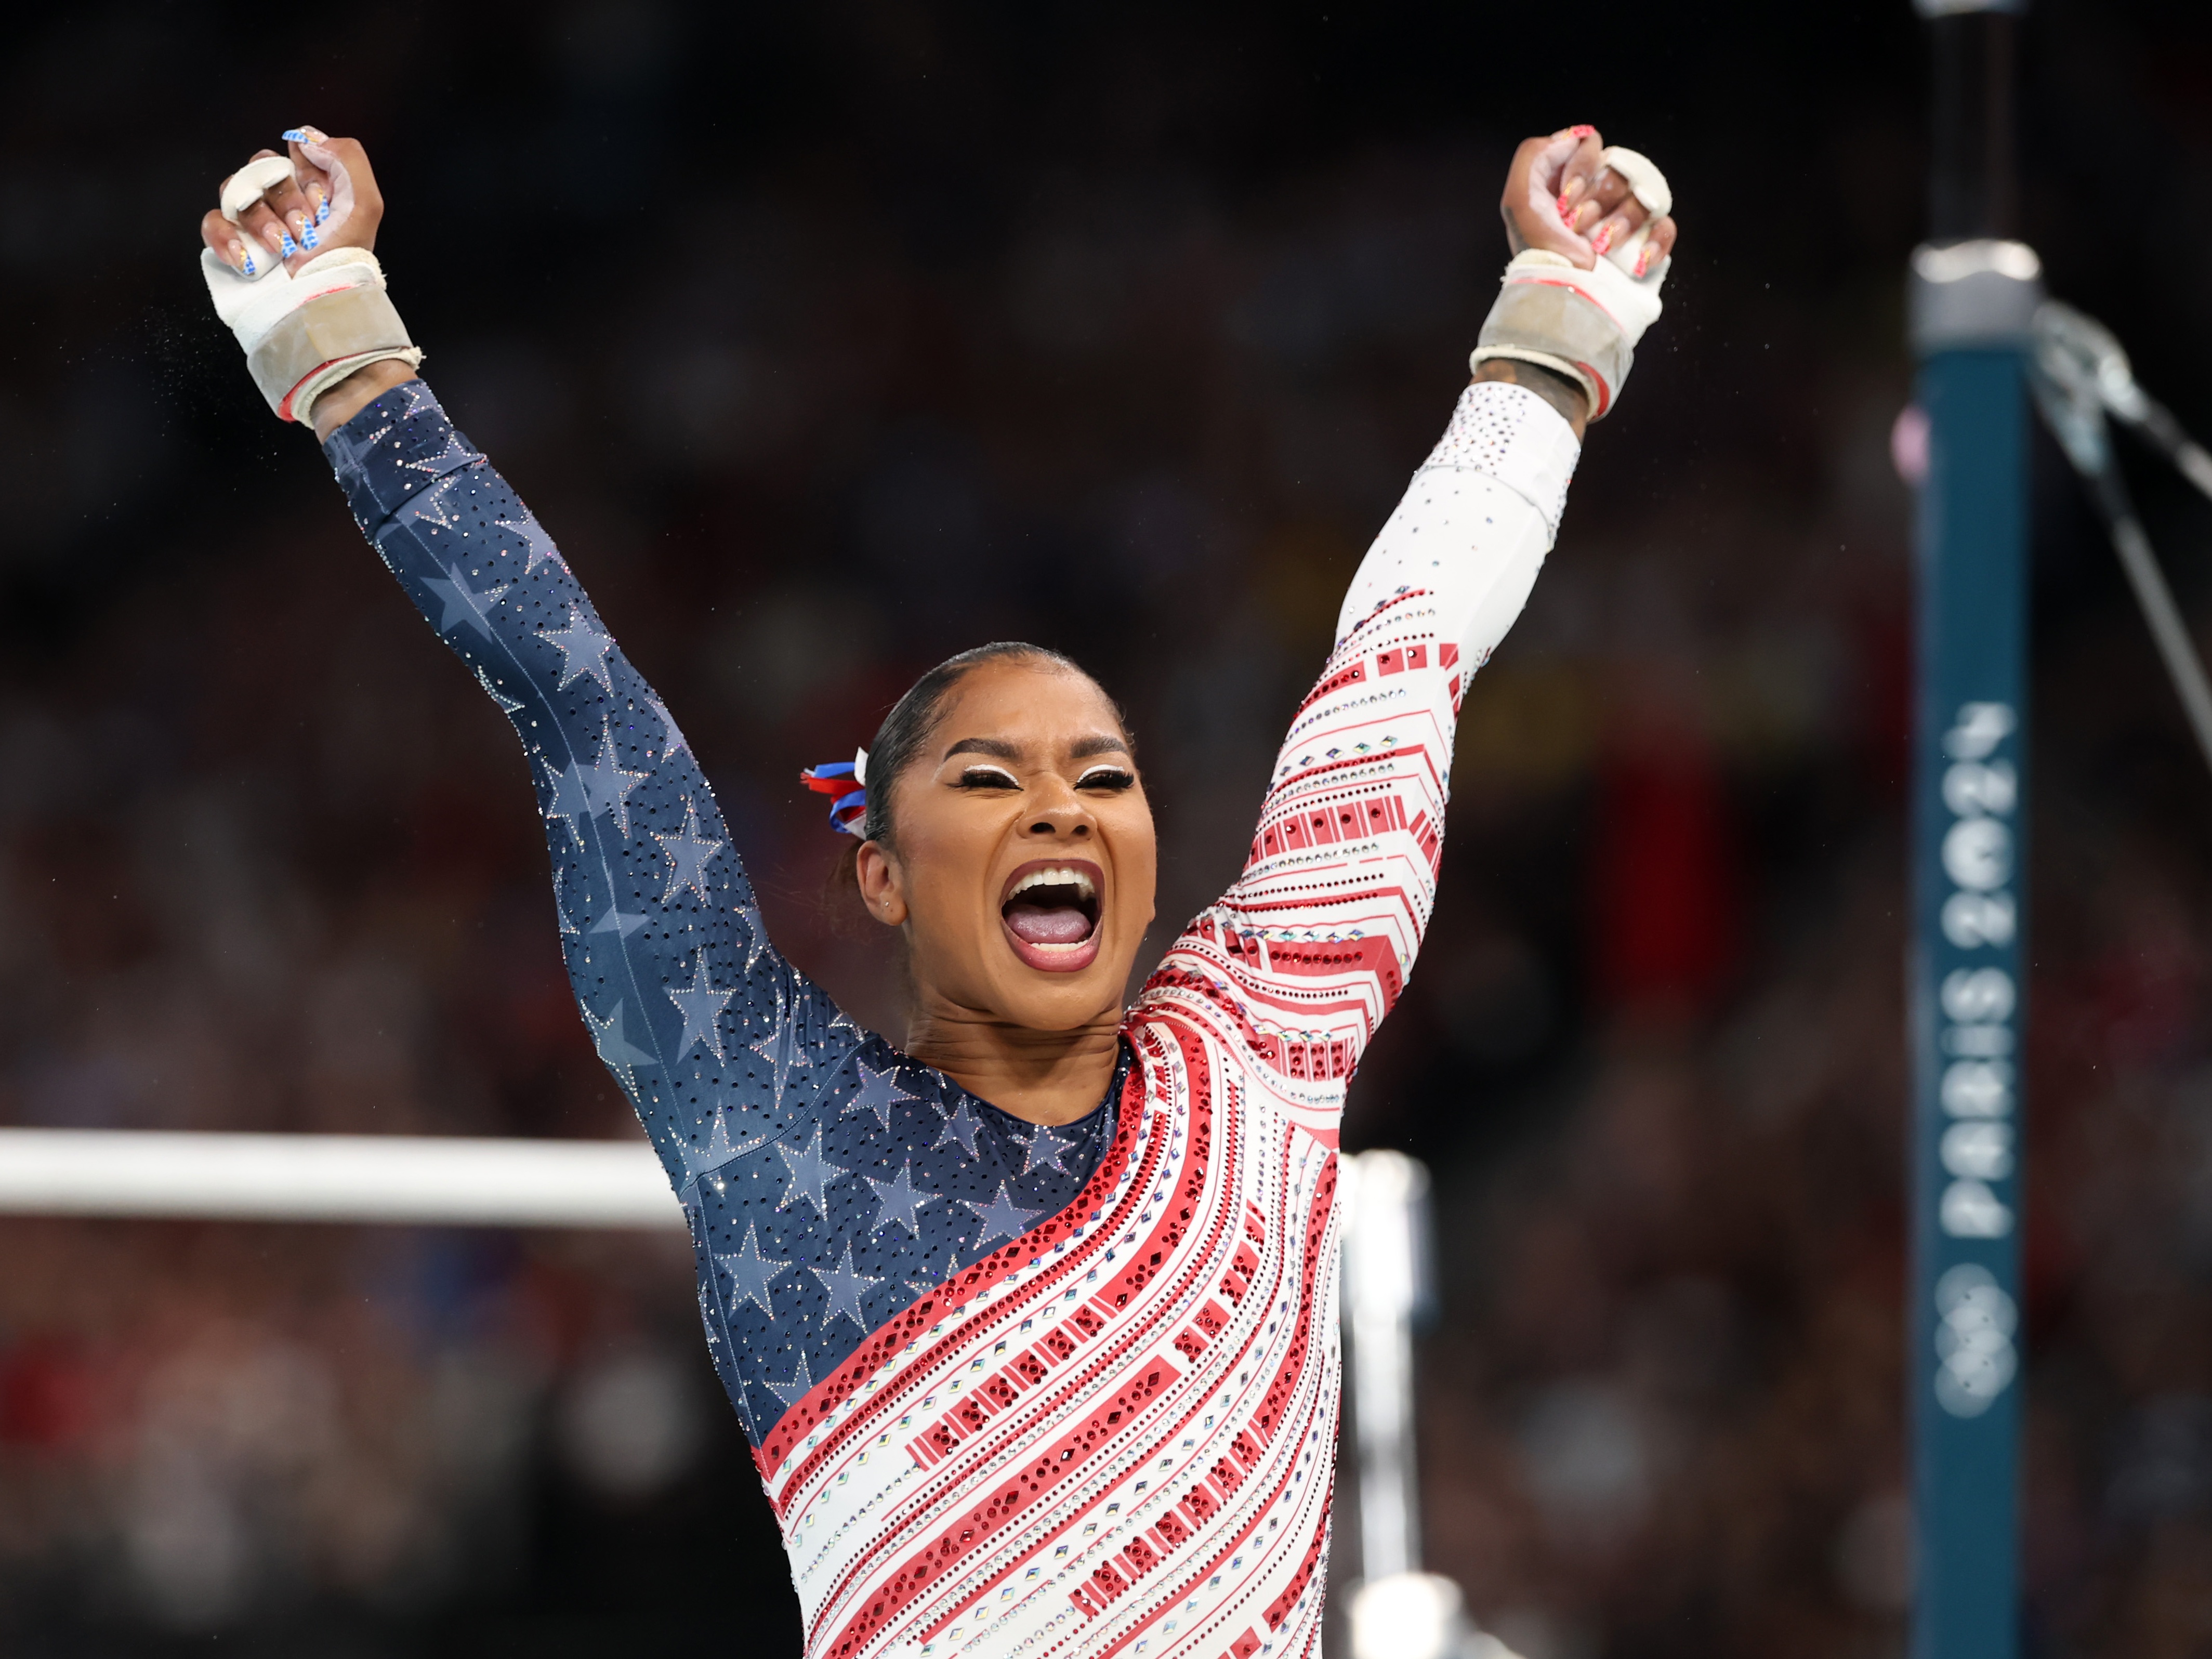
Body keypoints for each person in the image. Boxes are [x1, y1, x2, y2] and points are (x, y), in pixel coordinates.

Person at [195, 122, 1677, 1659]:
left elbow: (1409, 655)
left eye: (1104, 778)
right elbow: (581, 708)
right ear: (883, 881)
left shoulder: (1254, 1050)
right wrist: (341, 344)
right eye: (990, 781)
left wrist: (1560, 320)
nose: (1063, 809)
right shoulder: (774, 1125)